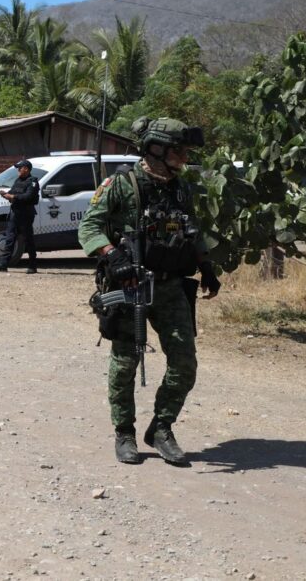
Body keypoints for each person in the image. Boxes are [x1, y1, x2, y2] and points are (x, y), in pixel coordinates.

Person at [78, 117, 221, 466]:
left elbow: (192, 230)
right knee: (126, 362)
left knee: (185, 363)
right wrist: (112, 256)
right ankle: (124, 432)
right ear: (156, 149)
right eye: (179, 150)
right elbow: (89, 226)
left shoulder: (181, 188)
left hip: (172, 288)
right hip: (131, 287)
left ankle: (161, 428)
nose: (185, 156)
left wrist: (205, 266)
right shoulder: (121, 184)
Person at [0, 159, 40, 273]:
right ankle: (3, 263)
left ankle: (33, 265)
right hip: (15, 213)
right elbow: (13, 192)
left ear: (26, 169)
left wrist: (13, 197)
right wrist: (5, 194)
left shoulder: (32, 182)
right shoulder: (18, 180)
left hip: (26, 214)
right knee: (9, 238)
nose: (18, 170)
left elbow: (28, 197)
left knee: (28, 239)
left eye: (20, 168)